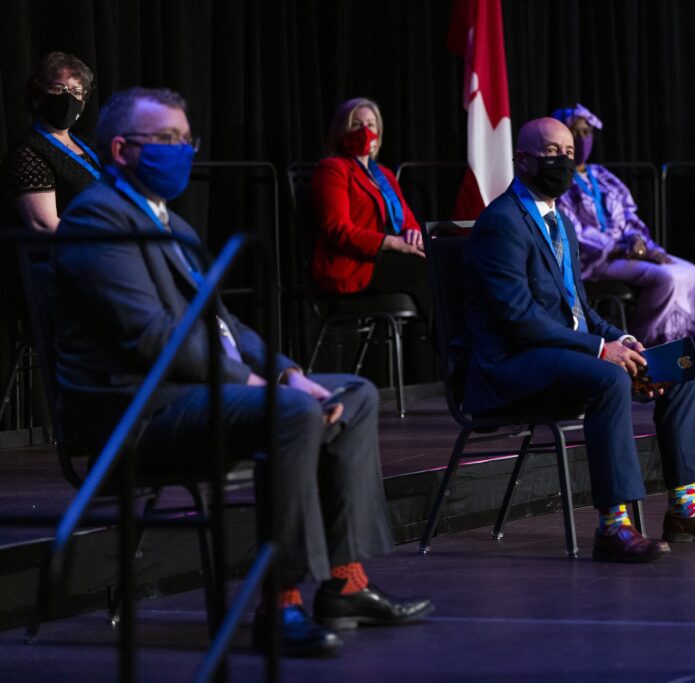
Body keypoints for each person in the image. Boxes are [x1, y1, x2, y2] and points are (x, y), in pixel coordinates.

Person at [51, 88, 432, 657]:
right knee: (292, 412)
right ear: (122, 149)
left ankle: (345, 583)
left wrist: (286, 372)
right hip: (136, 410)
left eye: (187, 140)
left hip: (196, 394)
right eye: (166, 140)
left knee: (353, 394)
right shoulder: (98, 218)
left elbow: (226, 325)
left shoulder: (174, 225)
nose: (182, 151)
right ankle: (280, 603)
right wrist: (254, 385)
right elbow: (152, 337)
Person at [463, 116, 695, 565]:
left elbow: (580, 309)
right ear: (522, 160)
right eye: (551, 153)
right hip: (512, 363)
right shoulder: (502, 222)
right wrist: (602, 351)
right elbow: (518, 319)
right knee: (610, 378)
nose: (564, 161)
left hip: (563, 354)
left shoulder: (560, 221)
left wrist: (623, 339)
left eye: (568, 152)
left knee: (676, 365)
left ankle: (685, 509)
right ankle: (613, 526)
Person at [551, 104, 695, 361]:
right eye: (576, 132)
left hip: (627, 252)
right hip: (595, 259)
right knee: (667, 278)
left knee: (691, 271)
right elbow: (573, 231)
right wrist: (626, 250)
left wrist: (637, 241)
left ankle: (691, 352)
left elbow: (628, 217)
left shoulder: (601, 175)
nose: (583, 138)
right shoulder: (560, 180)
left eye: (587, 132)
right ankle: (647, 348)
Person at [311, 97, 427, 311]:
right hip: (355, 265)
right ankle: (438, 333)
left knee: (441, 263)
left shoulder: (384, 175)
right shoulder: (333, 169)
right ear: (341, 132)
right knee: (427, 271)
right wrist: (393, 242)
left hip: (386, 258)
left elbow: (408, 221)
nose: (365, 131)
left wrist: (413, 233)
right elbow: (337, 229)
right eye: (356, 125)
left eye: (370, 125)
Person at [5, 52, 101, 232]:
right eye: (58, 89)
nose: (68, 98)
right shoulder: (27, 152)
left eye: (76, 92)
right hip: (78, 246)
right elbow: (43, 224)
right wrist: (104, 242)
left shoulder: (91, 147)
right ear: (37, 96)